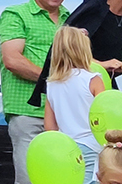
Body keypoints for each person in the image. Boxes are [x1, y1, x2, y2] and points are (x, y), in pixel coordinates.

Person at [0, 0, 69, 184]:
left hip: (61, 113)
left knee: (56, 183)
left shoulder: (69, 18)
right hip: (27, 109)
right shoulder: (16, 14)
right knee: (26, 181)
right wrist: (54, 80)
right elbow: (12, 59)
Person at [37, 25, 96, 153]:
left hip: (65, 146)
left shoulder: (51, 84)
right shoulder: (93, 79)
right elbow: (104, 115)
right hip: (92, 145)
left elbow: (50, 126)